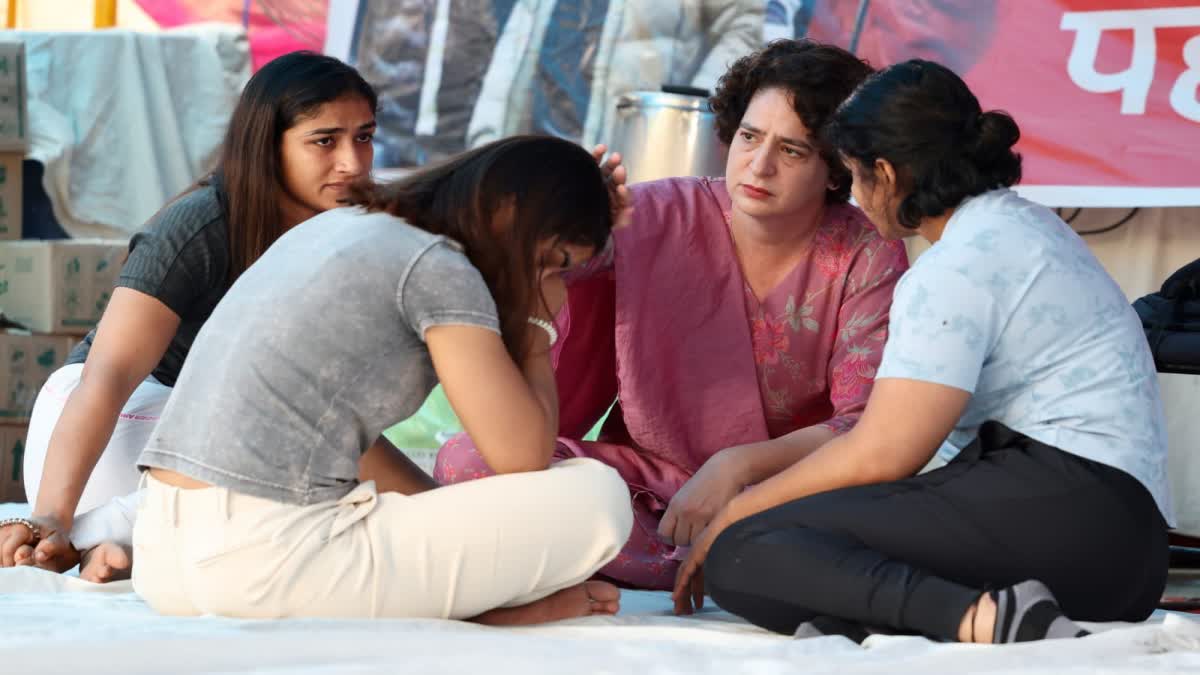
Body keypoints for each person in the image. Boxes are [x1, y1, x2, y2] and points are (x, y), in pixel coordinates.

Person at [673, 59, 1173, 644]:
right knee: (803, 547)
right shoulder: (1027, 227)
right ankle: (968, 616)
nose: (856, 198)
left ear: (885, 173)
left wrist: (740, 510)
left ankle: (980, 620)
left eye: (856, 176)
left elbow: (886, 452)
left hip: (1072, 512)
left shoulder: (959, 262)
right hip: (1124, 555)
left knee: (747, 553)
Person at [436, 39, 909, 589]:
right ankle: (707, 564)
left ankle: (658, 554)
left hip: (778, 492)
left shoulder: (868, 253)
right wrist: (568, 219)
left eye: (793, 151)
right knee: (466, 461)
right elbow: (557, 271)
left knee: (830, 529)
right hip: (641, 486)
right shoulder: (655, 213)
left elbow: (863, 426)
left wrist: (737, 465)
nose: (759, 165)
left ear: (834, 170)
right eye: (750, 137)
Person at [131, 134, 633, 623]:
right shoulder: (439, 266)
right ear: (513, 214)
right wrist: (537, 323)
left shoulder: (343, 226)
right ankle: (480, 611)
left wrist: (467, 532)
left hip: (164, 559)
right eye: (558, 264)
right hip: (267, 562)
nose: (555, 282)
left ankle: (468, 601)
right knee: (599, 497)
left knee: (484, 511)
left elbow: (350, 444)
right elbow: (521, 454)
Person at [0, 51, 379, 582]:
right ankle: (87, 534)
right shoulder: (199, 227)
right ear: (267, 146)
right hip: (108, 434)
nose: (353, 163)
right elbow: (105, 379)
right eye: (325, 140)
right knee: (308, 446)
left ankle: (116, 549)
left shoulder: (360, 231)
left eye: (364, 136)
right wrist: (50, 516)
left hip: (199, 460)